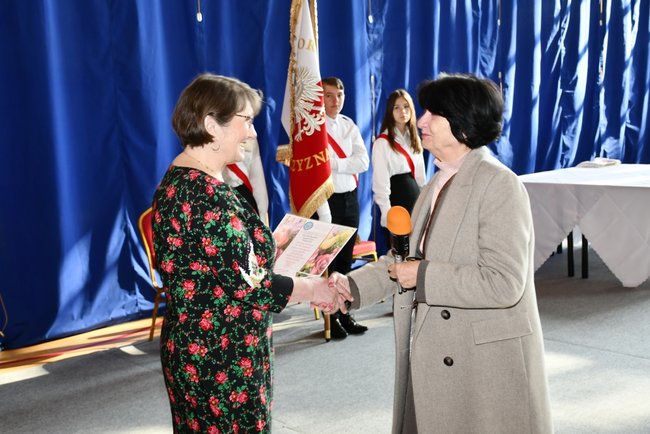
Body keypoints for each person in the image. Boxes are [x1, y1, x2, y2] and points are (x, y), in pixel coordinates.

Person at [330, 73, 553, 433]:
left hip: (484, 368)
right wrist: (351, 288)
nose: (421, 121)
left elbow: (503, 283)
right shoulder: (436, 182)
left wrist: (422, 275)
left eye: (433, 113)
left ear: (463, 124)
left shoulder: (500, 185)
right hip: (438, 352)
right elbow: (403, 262)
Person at [151, 73, 350, 433]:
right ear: (212, 125)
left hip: (206, 348)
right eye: (246, 121)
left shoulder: (186, 181)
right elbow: (249, 284)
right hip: (219, 358)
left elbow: (225, 263)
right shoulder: (205, 195)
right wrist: (313, 288)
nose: (253, 133)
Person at [319, 76, 370, 339]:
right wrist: (345, 162)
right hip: (327, 200)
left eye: (339, 95)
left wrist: (336, 164)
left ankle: (345, 312)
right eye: (328, 95)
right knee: (330, 261)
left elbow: (363, 162)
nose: (335, 100)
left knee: (346, 261)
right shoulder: (315, 129)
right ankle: (330, 317)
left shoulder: (349, 125)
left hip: (350, 198)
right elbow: (319, 167)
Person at [371, 89, 426, 244]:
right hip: (396, 202)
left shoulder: (414, 139)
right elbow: (380, 183)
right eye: (397, 107)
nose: (402, 111)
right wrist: (387, 213)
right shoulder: (382, 143)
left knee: (417, 248)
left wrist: (424, 203)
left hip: (415, 201)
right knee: (400, 250)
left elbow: (421, 178)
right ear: (390, 111)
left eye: (406, 106)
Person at [223, 138, 269, 224]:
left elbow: (257, 178)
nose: (253, 133)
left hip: (243, 194)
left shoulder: (250, 136)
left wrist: (262, 216)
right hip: (217, 194)